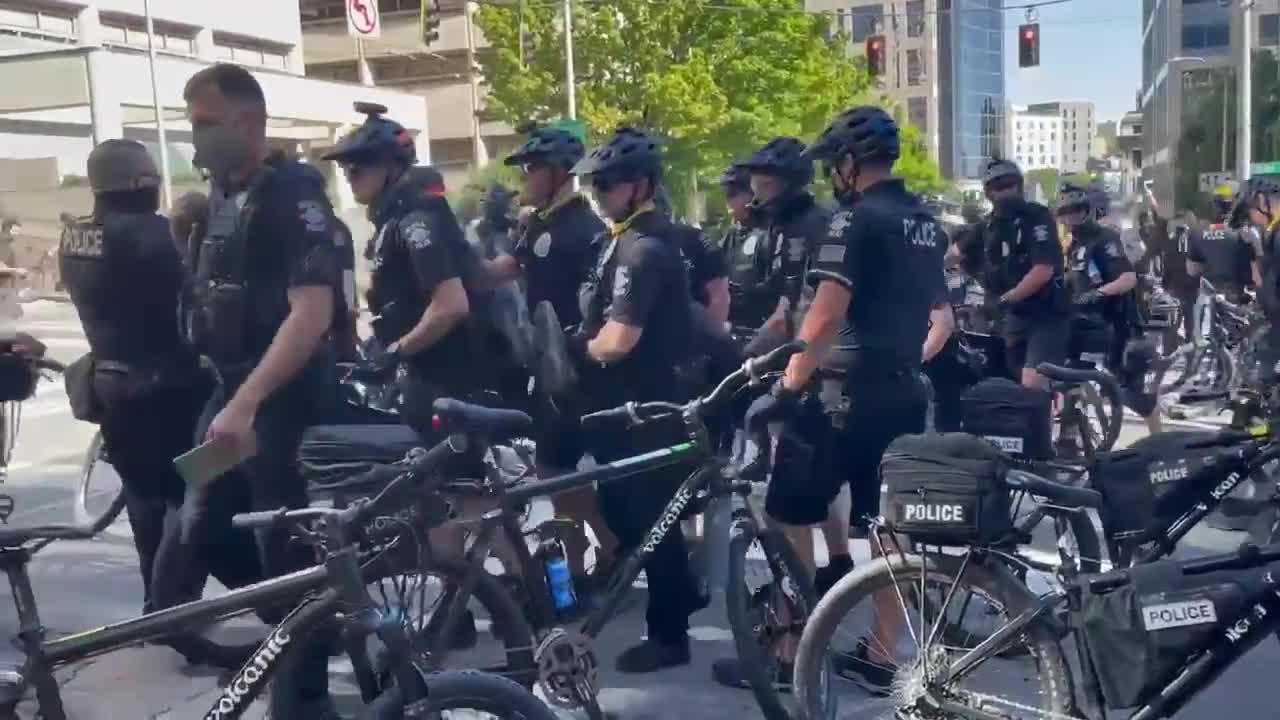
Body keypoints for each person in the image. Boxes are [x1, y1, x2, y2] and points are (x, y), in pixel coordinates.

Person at [748, 105, 945, 695]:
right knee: (886, 530)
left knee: (787, 515)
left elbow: (826, 314)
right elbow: (940, 314)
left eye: (834, 164)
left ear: (850, 164)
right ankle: (883, 653)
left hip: (839, 397)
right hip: (904, 393)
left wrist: (787, 386)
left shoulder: (852, 222)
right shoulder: (926, 222)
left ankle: (791, 650)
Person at [173, 63, 342, 706]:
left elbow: (311, 313)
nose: (197, 137)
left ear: (247, 121)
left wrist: (246, 404)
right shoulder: (222, 192)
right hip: (230, 395)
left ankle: (304, 693)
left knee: (286, 549)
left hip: (280, 404)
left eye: (205, 123)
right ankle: (292, 637)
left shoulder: (293, 193)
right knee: (203, 524)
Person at [59, 139, 262, 621]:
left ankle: (163, 610)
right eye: (150, 180)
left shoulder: (74, 238)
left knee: (148, 501)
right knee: (215, 489)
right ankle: (269, 600)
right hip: (174, 393)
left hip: (113, 391)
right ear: (137, 184)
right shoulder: (154, 238)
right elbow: (201, 311)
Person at [567, 126, 704, 672]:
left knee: (654, 521)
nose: (597, 193)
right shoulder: (632, 239)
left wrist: (577, 348)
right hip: (632, 405)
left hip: (650, 406)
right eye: (594, 184)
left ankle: (670, 634)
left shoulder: (642, 249)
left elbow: (618, 340)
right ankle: (683, 594)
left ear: (640, 185)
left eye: (607, 184)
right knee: (627, 511)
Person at [481, 125, 612, 587]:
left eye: (533, 168)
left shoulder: (586, 228)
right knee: (552, 469)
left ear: (559, 173)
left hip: (578, 367)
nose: (525, 177)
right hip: (547, 363)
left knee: (559, 468)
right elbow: (505, 269)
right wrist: (455, 266)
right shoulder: (539, 222)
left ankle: (600, 553)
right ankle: (593, 555)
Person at [325, 103, 481, 438]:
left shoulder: (417, 219)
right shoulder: (393, 219)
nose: (350, 180)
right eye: (345, 172)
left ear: (390, 169)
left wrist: (395, 352)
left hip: (448, 376)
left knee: (455, 483)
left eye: (356, 170)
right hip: (424, 371)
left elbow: (451, 305)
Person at [954, 158, 1069, 389]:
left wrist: (1006, 298)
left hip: (1045, 316)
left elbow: (1043, 270)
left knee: (1032, 383)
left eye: (1010, 186)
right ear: (988, 193)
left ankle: (1042, 425)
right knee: (998, 382)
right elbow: (955, 254)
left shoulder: (1037, 217)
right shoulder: (987, 226)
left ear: (1020, 185)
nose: (1006, 192)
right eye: (999, 188)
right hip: (1010, 318)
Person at [1056, 183, 1159, 436]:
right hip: (1086, 326)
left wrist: (1097, 294)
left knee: (1131, 394)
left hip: (1118, 325)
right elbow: (1074, 280)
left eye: (1076, 211)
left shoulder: (1105, 239)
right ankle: (1071, 437)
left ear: (1087, 211)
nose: (1071, 218)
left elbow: (1127, 278)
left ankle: (1159, 441)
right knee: (1068, 377)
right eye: (1066, 213)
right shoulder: (1074, 246)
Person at [736, 136, 831, 353]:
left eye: (765, 185)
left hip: (815, 357)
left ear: (790, 187)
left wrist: (741, 361)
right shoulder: (782, 228)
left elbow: (787, 316)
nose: (756, 195)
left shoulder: (813, 227)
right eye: (754, 185)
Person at [1188, 185, 1260, 303]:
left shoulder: (1198, 234)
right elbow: (1257, 274)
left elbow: (1191, 270)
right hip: (1237, 297)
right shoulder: (1245, 234)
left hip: (1208, 299)